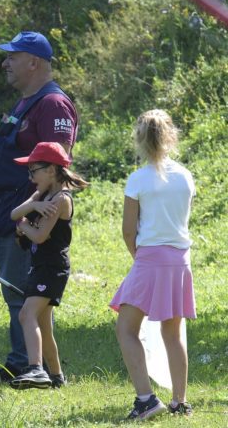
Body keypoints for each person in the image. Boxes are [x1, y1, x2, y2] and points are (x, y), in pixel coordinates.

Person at [0, 31, 78, 383]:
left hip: (28, 215)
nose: (5, 63)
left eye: (12, 56)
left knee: (23, 293)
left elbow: (57, 166)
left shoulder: (52, 104)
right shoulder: (26, 100)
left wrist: (34, 211)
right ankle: (26, 361)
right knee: (15, 290)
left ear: (33, 62)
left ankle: (27, 365)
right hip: (6, 208)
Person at [109, 110, 196, 420]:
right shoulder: (185, 176)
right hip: (180, 260)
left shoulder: (138, 179)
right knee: (173, 333)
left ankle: (146, 400)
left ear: (140, 140)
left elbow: (129, 230)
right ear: (171, 137)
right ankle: (180, 401)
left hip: (150, 259)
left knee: (126, 328)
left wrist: (139, 257)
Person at [7, 142, 88, 390]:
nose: (31, 178)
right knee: (43, 324)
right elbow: (14, 213)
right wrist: (32, 206)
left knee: (26, 314)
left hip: (52, 268)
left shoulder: (61, 199)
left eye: (34, 171)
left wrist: (23, 226)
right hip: (40, 266)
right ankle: (56, 376)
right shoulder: (42, 196)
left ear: (51, 170)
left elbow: (39, 235)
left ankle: (36, 369)